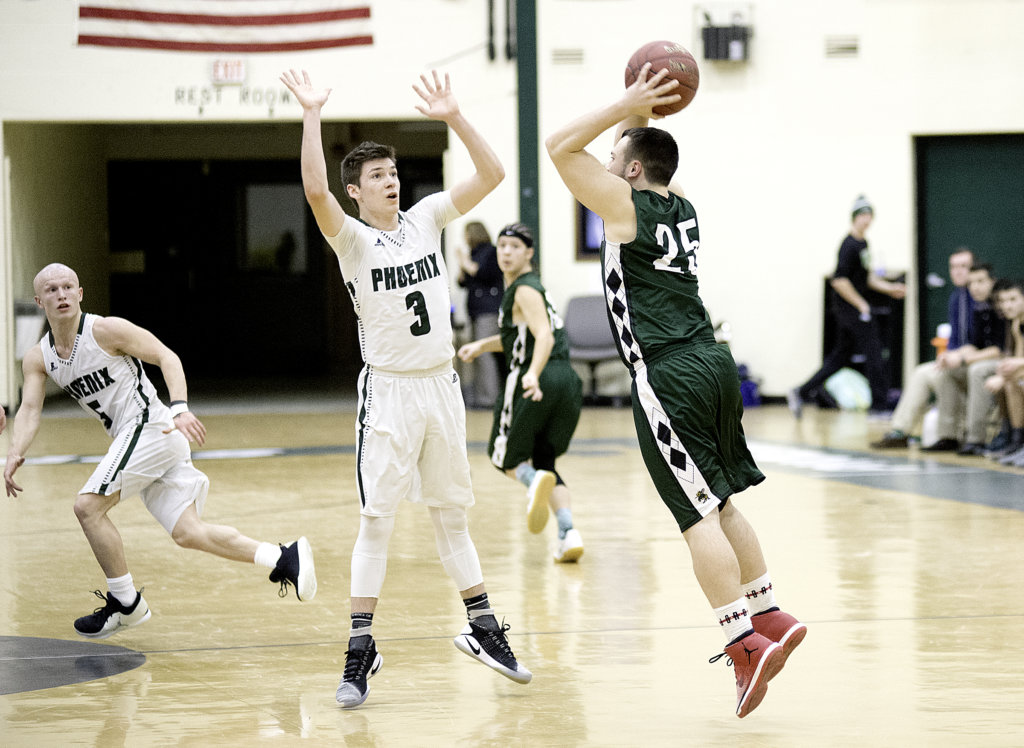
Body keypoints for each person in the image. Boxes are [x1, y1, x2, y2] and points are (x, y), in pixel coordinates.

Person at [545, 63, 805, 718]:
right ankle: (769, 613)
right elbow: (639, 156)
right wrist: (643, 110)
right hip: (712, 362)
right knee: (719, 501)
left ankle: (742, 644)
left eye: (615, 158)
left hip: (669, 374)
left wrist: (624, 103)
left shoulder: (623, 206)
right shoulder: (681, 202)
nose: (606, 162)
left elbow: (559, 147)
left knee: (695, 516)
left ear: (631, 171)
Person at [279, 68, 531, 709]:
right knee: (377, 522)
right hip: (388, 393)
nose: (391, 181)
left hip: (441, 388)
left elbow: (493, 173)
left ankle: (483, 628)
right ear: (356, 191)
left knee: (452, 516)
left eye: (393, 172)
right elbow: (314, 189)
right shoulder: (352, 239)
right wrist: (311, 113)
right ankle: (361, 646)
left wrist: (455, 117)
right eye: (377, 176)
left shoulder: (426, 218)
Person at [4, 263, 316, 640]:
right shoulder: (39, 357)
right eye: (52, 290)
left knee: (87, 507)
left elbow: (167, 356)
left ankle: (126, 602)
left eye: (68, 287)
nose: (62, 295)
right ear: (40, 301)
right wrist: (15, 450)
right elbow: (30, 408)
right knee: (188, 533)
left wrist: (180, 407)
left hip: (151, 426)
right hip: (143, 441)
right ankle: (283, 557)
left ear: (80, 293)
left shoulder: (106, 330)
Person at [457, 223, 585, 563]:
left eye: (514, 246)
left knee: (503, 455)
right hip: (566, 380)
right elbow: (520, 337)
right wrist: (481, 346)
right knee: (546, 462)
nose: (506, 252)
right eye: (501, 245)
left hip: (538, 377)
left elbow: (543, 336)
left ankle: (532, 481)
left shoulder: (524, 289)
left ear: (529, 253)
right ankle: (568, 532)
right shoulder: (534, 288)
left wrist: (531, 374)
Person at [788, 195, 907, 418]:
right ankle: (879, 406)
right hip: (849, 310)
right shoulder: (848, 245)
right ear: (855, 217)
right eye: (863, 215)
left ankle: (800, 392)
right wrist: (861, 304)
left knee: (840, 357)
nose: (867, 220)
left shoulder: (863, 244)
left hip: (854, 309)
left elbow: (866, 278)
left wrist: (891, 289)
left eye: (870, 215)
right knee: (874, 352)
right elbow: (839, 280)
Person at [870, 248, 975, 448]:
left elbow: (982, 343)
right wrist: (948, 355)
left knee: (945, 374)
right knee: (922, 372)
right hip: (958, 359)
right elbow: (955, 340)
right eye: (953, 267)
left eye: (964, 266)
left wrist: (960, 356)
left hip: (972, 360)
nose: (958, 271)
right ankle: (900, 431)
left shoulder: (980, 299)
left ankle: (950, 435)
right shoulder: (956, 298)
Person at [927, 264, 1004, 453]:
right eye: (971, 283)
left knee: (976, 371)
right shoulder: (978, 308)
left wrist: (964, 360)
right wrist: (954, 355)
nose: (975, 287)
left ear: (992, 282)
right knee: (948, 371)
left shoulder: (1002, 307)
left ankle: (976, 439)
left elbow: (1000, 349)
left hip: (1002, 360)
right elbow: (974, 345)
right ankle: (949, 436)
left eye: (980, 281)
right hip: (984, 358)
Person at [455, 220, 503, 408]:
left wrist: (464, 261)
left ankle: (489, 398)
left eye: (466, 234)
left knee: (485, 354)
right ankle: (478, 396)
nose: (464, 238)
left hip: (488, 311)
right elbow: (463, 282)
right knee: (475, 354)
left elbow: (483, 273)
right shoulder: (472, 254)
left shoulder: (491, 252)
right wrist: (462, 265)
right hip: (475, 311)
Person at [983, 278, 1024, 464]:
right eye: (1003, 301)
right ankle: (1017, 440)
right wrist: (1005, 372)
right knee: (1011, 382)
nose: (1007, 305)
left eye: (1013, 299)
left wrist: (1009, 371)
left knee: (1012, 380)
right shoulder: (1016, 324)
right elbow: (1019, 359)